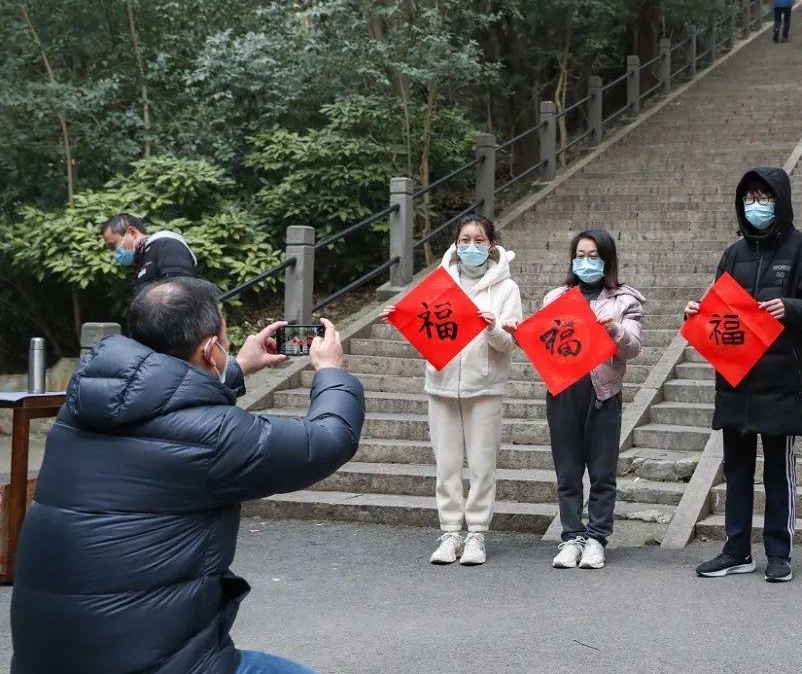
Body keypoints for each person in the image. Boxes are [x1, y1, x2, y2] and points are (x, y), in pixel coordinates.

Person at [10, 276, 364, 674]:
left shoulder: (80, 409)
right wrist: (330, 371)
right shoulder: (213, 436)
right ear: (211, 350)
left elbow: (160, 395)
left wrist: (236, 367)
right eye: (224, 343)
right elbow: (328, 440)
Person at [690, 168, 802, 583]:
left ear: (781, 201)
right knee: (735, 470)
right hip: (735, 378)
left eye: (764, 197)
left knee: (777, 471)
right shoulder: (733, 254)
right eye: (749, 197)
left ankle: (779, 552)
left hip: (780, 378)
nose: (756, 205)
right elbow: (717, 307)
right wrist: (697, 314)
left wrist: (789, 307)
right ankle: (735, 551)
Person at [381, 215, 522, 567]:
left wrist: (491, 328)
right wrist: (402, 318)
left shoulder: (507, 289)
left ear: (492, 244)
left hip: (486, 387)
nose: (471, 246)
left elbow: (510, 343)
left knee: (481, 465)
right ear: (455, 243)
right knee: (445, 464)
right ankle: (449, 532)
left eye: (478, 240)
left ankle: (476, 534)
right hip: (441, 385)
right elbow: (427, 332)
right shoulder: (440, 283)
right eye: (464, 240)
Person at [505, 230, 643, 571]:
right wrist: (517, 335)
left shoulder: (625, 300)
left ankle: (597, 538)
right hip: (563, 392)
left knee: (601, 472)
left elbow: (634, 348)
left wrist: (614, 331)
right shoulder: (557, 297)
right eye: (580, 255)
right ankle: (571, 536)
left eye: (593, 255)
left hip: (603, 393)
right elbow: (543, 346)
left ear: (607, 259)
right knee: (567, 472)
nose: (585, 262)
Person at [101, 212, 197, 291]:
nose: (114, 252)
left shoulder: (166, 243)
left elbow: (180, 288)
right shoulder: (142, 258)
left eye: (113, 245)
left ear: (132, 233)